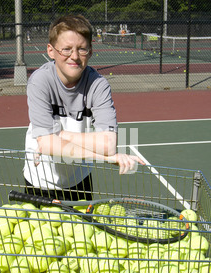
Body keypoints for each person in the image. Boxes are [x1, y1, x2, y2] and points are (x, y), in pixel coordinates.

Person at [23, 15, 145, 201]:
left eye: (81, 49)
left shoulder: (98, 85)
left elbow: (109, 145)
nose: (74, 56)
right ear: (51, 50)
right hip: (40, 181)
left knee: (84, 228)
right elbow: (46, 145)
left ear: (90, 51)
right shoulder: (40, 81)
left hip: (79, 180)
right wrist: (105, 158)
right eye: (66, 49)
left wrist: (59, 135)